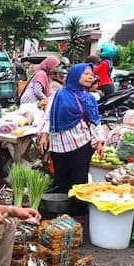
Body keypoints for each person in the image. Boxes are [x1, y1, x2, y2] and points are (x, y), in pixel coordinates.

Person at [39, 63, 104, 194]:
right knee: (61, 178)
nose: (90, 77)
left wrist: (99, 142)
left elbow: (95, 122)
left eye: (91, 74)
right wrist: (44, 135)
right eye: (86, 74)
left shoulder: (89, 98)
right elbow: (48, 116)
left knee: (80, 178)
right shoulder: (59, 95)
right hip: (59, 144)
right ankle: (62, 210)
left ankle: (79, 210)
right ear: (75, 75)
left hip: (82, 142)